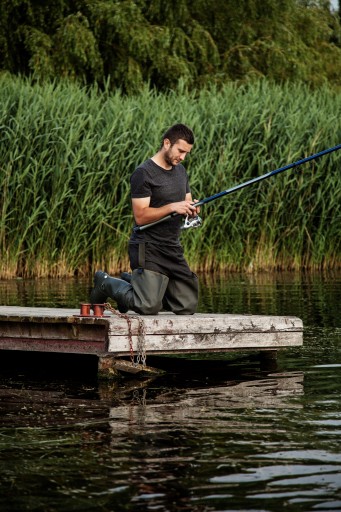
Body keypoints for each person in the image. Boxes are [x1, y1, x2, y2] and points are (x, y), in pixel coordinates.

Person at [90, 123, 200, 315]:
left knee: (187, 306)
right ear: (167, 143)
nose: (182, 157)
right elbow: (140, 216)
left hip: (171, 247)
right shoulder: (144, 173)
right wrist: (172, 207)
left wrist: (193, 208)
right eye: (180, 151)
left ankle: (132, 283)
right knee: (148, 306)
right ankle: (105, 282)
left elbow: (187, 201)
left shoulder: (181, 171)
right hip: (147, 246)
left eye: (186, 153)